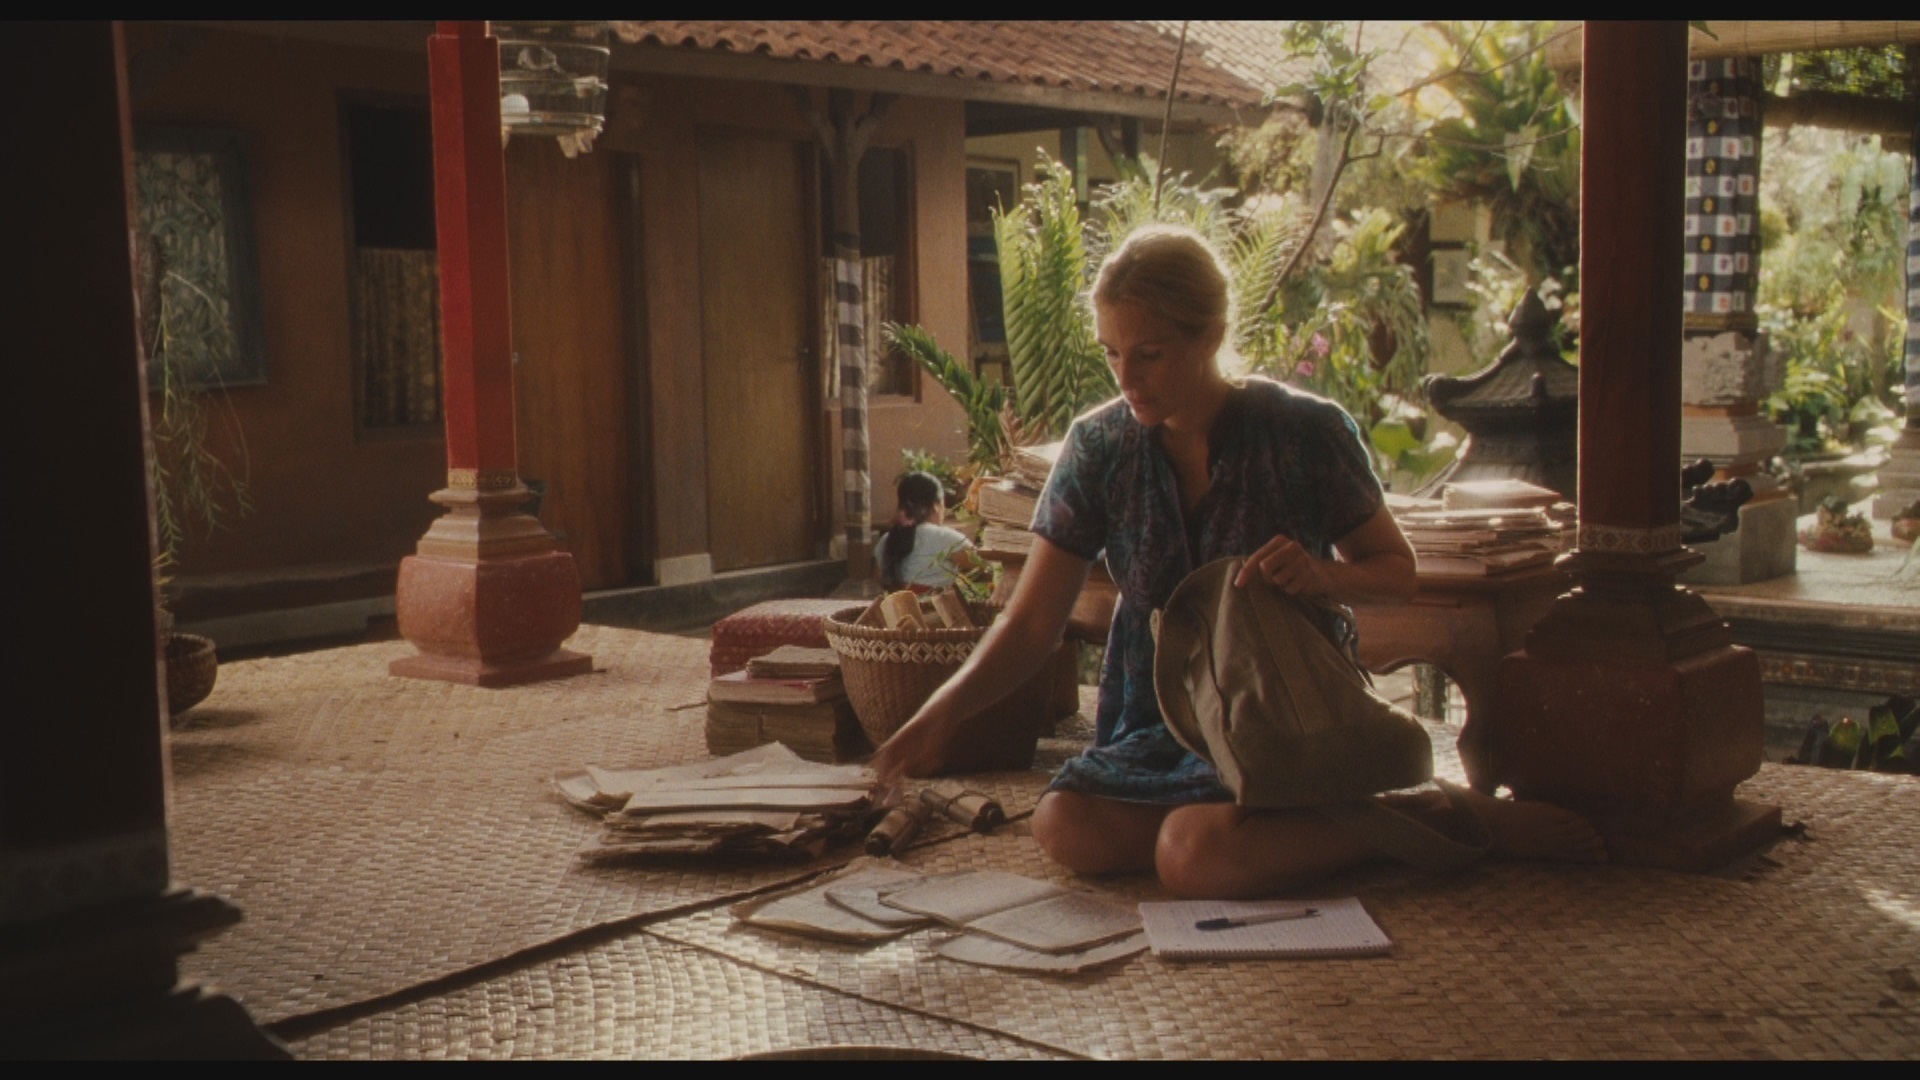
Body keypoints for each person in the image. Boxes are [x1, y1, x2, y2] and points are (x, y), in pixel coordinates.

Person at [872, 225, 1604, 898]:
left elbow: (1395, 572)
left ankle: (1434, 815)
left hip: (1280, 718)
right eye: (1112, 353)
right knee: (1064, 826)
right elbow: (1033, 626)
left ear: (1212, 335)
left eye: (1150, 353)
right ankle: (1363, 819)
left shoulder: (1304, 432)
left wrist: (1322, 575)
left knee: (1192, 857)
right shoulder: (1099, 448)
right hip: (1154, 722)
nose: (1127, 376)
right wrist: (938, 717)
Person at [875, 470, 978, 593]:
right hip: (933, 604)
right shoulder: (946, 538)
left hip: (897, 604)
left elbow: (879, 579)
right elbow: (983, 566)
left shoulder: (885, 541)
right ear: (936, 506)